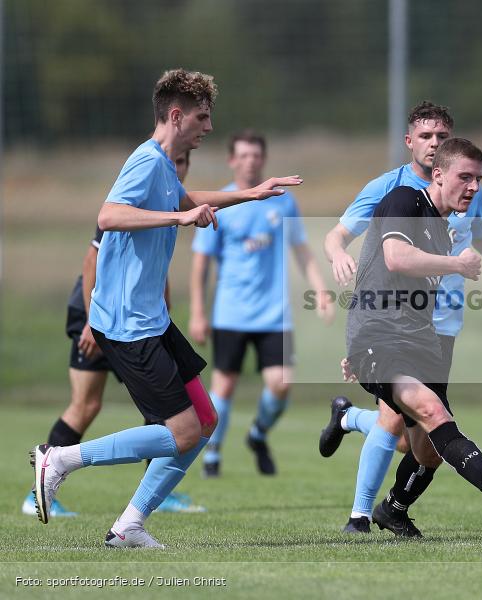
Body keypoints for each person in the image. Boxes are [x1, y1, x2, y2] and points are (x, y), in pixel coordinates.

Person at [30, 68, 302, 548]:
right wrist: (179, 217)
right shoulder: (145, 160)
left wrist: (250, 194)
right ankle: (62, 460)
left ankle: (128, 526)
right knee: (181, 433)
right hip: (128, 326)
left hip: (152, 320)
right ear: (176, 116)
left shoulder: (162, 166)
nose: (209, 128)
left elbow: (188, 199)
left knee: (206, 421)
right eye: (202, 118)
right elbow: (108, 215)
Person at [319, 102, 482, 535]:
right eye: (466, 177)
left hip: (423, 335)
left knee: (425, 447)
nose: (473, 186)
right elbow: (393, 256)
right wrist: (454, 267)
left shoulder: (447, 220)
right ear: (436, 170)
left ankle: (391, 504)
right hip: (382, 335)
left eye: (479, 179)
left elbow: (480, 239)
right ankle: (362, 516)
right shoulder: (400, 194)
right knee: (426, 412)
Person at [22, 151, 205, 517]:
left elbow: (153, 270)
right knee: (87, 405)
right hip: (102, 315)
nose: (180, 167)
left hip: (141, 317)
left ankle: (152, 496)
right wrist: (91, 321)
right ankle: (41, 485)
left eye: (184, 163)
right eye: (177, 160)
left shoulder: (165, 197)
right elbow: (92, 262)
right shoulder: (134, 196)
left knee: (166, 411)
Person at [189, 129, 333, 478]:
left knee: (281, 385)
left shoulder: (282, 200)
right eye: (244, 155)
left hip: (274, 314)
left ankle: (258, 434)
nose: (250, 161)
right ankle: (213, 452)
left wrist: (321, 291)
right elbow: (201, 263)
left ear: (263, 160)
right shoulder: (220, 202)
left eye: (256, 155)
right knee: (223, 388)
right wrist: (197, 312)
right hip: (231, 313)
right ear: (232, 160)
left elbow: (301, 250)